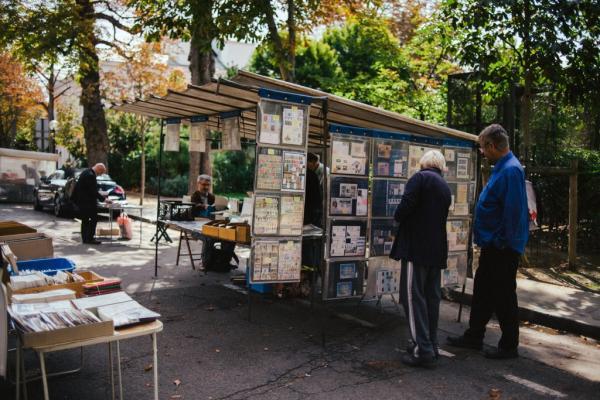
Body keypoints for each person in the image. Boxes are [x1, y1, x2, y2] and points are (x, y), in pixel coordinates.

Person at [447, 124, 529, 360]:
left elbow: (513, 212)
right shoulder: (502, 168)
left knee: (504, 295)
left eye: (483, 147)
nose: (482, 152)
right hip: (493, 245)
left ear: (492, 146)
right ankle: (474, 336)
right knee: (482, 290)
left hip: (501, 247)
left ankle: (509, 345)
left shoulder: (511, 170)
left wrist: (500, 241)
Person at [390, 150, 451, 369]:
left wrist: (396, 217)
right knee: (431, 298)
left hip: (417, 248)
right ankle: (431, 344)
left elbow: (405, 207)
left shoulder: (420, 178)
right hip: (437, 251)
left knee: (412, 298)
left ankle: (421, 350)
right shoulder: (444, 186)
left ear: (424, 163)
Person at [72, 163, 109, 244]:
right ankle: (90, 238)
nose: (100, 174)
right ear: (99, 169)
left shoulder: (86, 172)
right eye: (101, 172)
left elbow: (89, 188)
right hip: (87, 202)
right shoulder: (90, 175)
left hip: (82, 201)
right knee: (94, 219)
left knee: (85, 220)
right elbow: (93, 191)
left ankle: (85, 239)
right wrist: (104, 199)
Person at [304, 153, 323, 227]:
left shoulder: (302, 173)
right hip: (311, 210)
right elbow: (317, 195)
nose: (314, 166)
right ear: (308, 162)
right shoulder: (312, 175)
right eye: (313, 163)